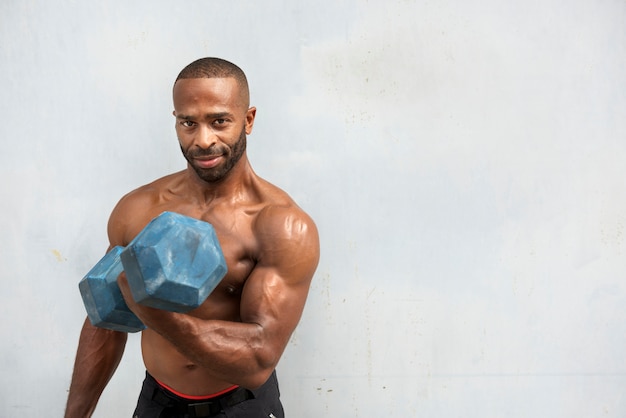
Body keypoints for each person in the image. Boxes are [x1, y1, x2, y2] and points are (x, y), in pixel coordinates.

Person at [65, 57, 320, 418]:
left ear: (248, 120)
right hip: (158, 403)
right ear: (176, 121)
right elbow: (105, 320)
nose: (203, 140)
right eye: (189, 123)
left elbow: (259, 358)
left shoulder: (281, 226)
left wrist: (156, 313)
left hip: (241, 405)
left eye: (219, 121)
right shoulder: (138, 210)